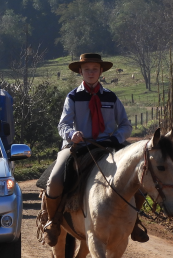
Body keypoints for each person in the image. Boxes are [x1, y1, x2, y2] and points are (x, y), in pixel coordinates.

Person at [39, 53, 148, 246]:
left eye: (94, 69)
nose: (91, 72)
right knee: (55, 179)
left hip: (109, 146)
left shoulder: (111, 98)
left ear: (101, 72)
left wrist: (116, 137)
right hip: (78, 147)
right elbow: (62, 125)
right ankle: (52, 222)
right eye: (87, 69)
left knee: (137, 176)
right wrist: (72, 134)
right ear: (80, 72)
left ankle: (135, 222)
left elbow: (125, 125)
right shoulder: (72, 97)